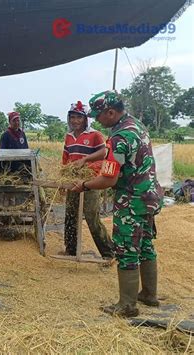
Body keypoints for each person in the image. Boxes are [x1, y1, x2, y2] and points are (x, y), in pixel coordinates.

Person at [72, 91, 163, 317]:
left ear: (111, 112)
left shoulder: (119, 137)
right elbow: (115, 155)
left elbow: (108, 178)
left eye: (99, 115)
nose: (97, 120)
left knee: (126, 249)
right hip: (149, 196)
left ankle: (127, 306)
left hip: (132, 200)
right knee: (145, 246)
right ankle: (149, 295)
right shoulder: (135, 126)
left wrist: (83, 185)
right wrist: (89, 159)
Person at [62, 101, 114, 259]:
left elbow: (105, 152)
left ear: (86, 119)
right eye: (72, 117)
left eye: (79, 117)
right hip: (72, 180)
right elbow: (65, 159)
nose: (75, 121)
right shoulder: (69, 137)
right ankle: (71, 250)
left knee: (91, 217)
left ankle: (108, 253)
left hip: (90, 180)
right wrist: (63, 177)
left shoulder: (95, 135)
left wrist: (86, 162)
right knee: (71, 215)